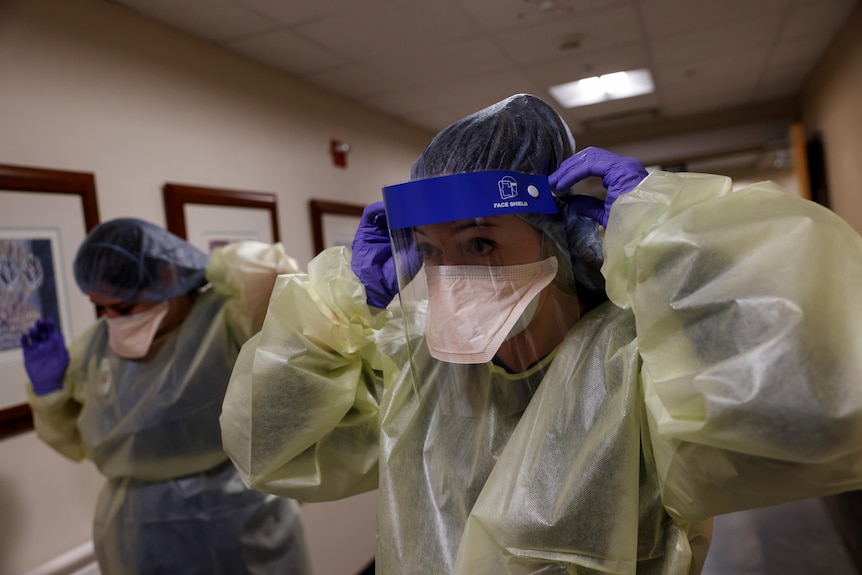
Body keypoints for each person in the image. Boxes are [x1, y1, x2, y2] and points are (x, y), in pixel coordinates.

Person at [219, 94, 862, 574]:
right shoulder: (421, 363)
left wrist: (672, 247)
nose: (454, 276)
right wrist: (345, 302)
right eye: (430, 252)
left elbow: (809, 418)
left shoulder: (638, 357)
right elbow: (269, 447)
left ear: (557, 234)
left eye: (479, 241)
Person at [21, 218, 313, 574]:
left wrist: (203, 264)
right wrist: (49, 391)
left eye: (124, 307)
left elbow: (271, 270)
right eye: (101, 307)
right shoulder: (97, 347)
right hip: (137, 532)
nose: (111, 319)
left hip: (240, 520)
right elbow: (74, 440)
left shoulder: (228, 319)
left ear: (167, 278)